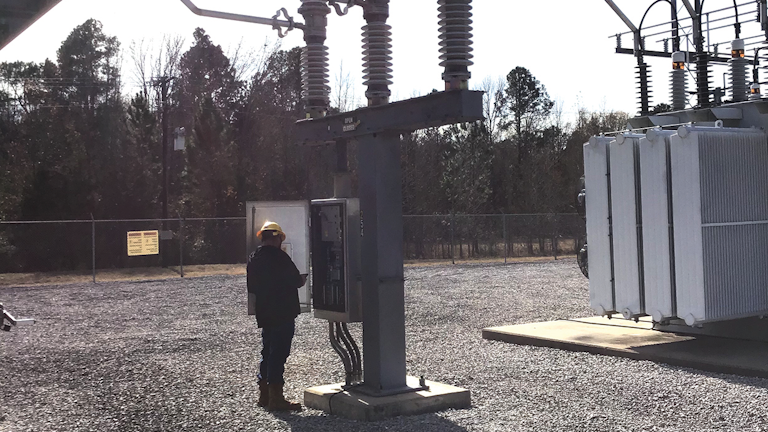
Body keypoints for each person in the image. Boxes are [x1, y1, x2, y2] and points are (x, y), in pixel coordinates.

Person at [247, 221, 307, 412]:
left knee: (267, 351)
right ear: (277, 238)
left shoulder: (254, 258)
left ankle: (264, 394)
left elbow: (252, 286)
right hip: (283, 312)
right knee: (279, 353)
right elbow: (296, 280)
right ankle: (276, 398)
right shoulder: (280, 257)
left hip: (265, 312)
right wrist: (303, 278)